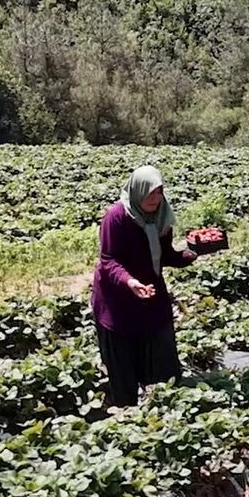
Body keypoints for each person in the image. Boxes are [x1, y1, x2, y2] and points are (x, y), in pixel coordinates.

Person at [90, 165, 198, 407]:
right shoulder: (116, 216)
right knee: (124, 364)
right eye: (150, 192)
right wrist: (130, 282)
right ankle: (126, 412)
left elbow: (166, 256)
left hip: (150, 294)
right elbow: (109, 260)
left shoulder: (162, 217)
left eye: (159, 192)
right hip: (117, 300)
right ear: (137, 190)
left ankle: (164, 404)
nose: (155, 198)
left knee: (162, 356)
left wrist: (193, 253)